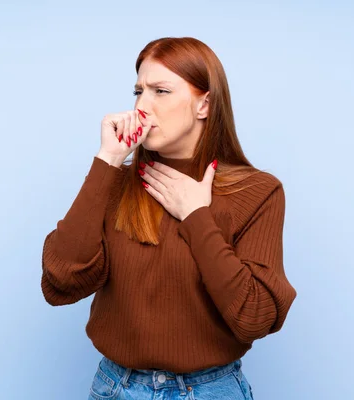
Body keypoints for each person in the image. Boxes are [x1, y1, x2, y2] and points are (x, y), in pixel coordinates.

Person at [41, 36, 297, 400]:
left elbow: (253, 317)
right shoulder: (115, 184)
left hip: (209, 391)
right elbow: (61, 281)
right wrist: (107, 161)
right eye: (138, 91)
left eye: (161, 91)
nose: (142, 106)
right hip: (116, 388)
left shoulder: (257, 192)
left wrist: (196, 216)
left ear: (204, 104)